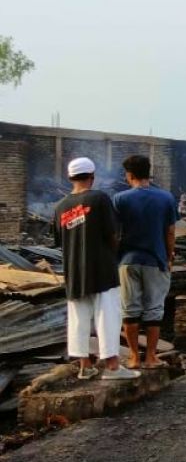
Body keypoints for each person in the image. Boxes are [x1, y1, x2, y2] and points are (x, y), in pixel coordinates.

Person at [53, 158, 139, 381]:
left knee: (78, 319)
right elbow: (112, 234)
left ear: (70, 178)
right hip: (101, 268)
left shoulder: (60, 206)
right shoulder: (99, 198)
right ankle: (112, 366)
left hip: (74, 272)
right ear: (92, 176)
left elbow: (59, 240)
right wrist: (113, 253)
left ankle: (85, 366)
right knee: (108, 315)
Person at [113, 154, 177, 369]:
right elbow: (170, 232)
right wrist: (169, 257)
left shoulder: (120, 199)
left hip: (127, 261)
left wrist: (116, 258)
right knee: (154, 310)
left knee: (129, 310)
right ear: (149, 173)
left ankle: (133, 357)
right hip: (155, 260)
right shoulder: (166, 198)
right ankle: (150, 357)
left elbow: (114, 234)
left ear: (129, 175)